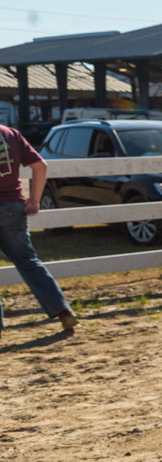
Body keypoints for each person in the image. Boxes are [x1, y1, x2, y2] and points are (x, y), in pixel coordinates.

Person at [0, 124, 77, 339]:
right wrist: (34, 200)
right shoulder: (10, 134)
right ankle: (62, 310)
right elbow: (40, 166)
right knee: (28, 261)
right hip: (12, 209)